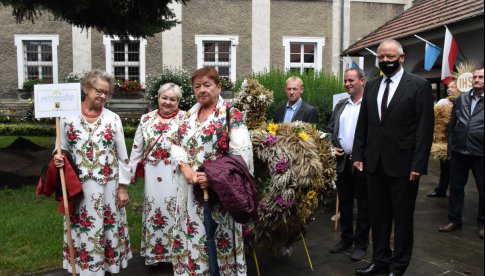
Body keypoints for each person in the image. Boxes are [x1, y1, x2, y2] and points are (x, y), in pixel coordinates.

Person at [352, 39, 434, 276]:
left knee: (402, 219)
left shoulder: (419, 86)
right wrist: (358, 154)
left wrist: (419, 164)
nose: (385, 61)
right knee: (378, 217)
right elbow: (364, 123)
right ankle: (380, 261)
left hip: (404, 166)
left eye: (390, 56)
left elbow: (424, 129)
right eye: (381, 57)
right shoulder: (373, 85)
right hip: (374, 164)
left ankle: (398, 265)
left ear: (401, 58)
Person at [170, 67, 254, 275]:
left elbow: (240, 156)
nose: (202, 90)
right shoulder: (188, 116)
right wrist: (185, 167)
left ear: (218, 87)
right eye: (197, 87)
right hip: (191, 193)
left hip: (219, 195)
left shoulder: (230, 114)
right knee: (195, 237)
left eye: (207, 85)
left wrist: (213, 177)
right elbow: (175, 144)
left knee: (218, 238)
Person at [53, 69, 132, 275]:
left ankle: (105, 266)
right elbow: (60, 148)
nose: (103, 96)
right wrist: (58, 158)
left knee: (106, 225)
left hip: (108, 185)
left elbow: (123, 156)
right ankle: (83, 266)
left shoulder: (113, 119)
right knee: (82, 226)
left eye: (107, 93)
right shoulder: (67, 117)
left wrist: (123, 188)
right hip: (78, 187)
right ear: (86, 88)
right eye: (99, 91)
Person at [129, 83, 185, 266]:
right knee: (154, 209)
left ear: (178, 101)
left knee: (175, 209)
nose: (167, 102)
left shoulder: (186, 118)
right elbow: (137, 147)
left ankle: (175, 255)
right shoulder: (146, 118)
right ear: (158, 97)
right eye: (164, 98)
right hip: (152, 173)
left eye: (173, 99)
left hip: (176, 173)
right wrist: (130, 173)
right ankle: (154, 254)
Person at [327, 68, 370, 261]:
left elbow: (376, 135)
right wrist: (333, 146)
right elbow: (329, 130)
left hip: (362, 164)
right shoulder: (341, 106)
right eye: (345, 81)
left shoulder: (370, 105)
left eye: (351, 80)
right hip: (342, 162)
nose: (347, 84)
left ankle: (361, 245)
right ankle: (346, 239)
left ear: (362, 81)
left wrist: (363, 154)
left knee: (363, 205)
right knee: (344, 203)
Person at [439, 68, 484, 239]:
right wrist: (451, 147)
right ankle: (454, 219)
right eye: (475, 77)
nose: (477, 80)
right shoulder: (462, 98)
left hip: (481, 153)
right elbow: (452, 125)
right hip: (459, 152)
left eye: (481, 77)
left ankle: (482, 223)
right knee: (456, 187)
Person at [428, 81, 461, 197]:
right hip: (444, 143)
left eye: (453, 87)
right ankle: (441, 189)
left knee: (457, 171)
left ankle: (455, 193)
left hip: (458, 143)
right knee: (445, 169)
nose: (449, 89)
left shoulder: (463, 102)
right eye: (448, 87)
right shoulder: (443, 102)